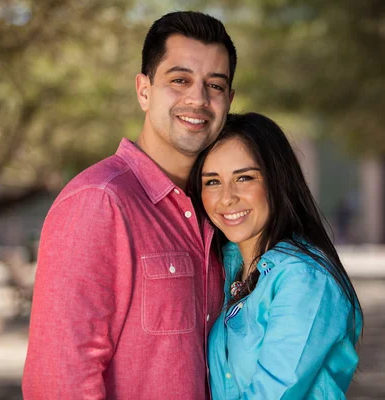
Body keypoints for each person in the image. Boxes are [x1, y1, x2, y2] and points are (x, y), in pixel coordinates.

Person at [22, 11, 236, 399]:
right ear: (144, 90)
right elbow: (58, 381)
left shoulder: (215, 214)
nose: (198, 99)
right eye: (179, 80)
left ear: (229, 101)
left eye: (215, 85)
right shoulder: (99, 202)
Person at [188, 112, 364, 399]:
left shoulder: (303, 279)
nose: (227, 197)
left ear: (276, 181)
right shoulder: (228, 268)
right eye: (212, 182)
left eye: (244, 178)